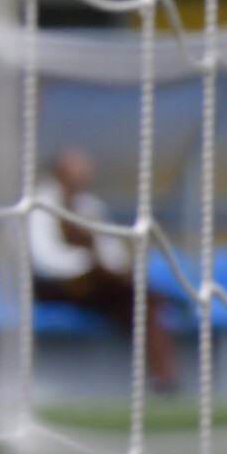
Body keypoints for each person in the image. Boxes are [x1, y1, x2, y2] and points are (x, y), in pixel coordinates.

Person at [30, 146, 179, 390]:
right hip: (55, 287)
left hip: (96, 288)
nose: (82, 179)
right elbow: (44, 258)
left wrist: (111, 269)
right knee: (139, 296)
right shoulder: (40, 205)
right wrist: (89, 264)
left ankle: (163, 378)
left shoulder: (90, 206)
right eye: (75, 174)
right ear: (59, 174)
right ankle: (160, 297)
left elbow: (111, 249)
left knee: (140, 304)